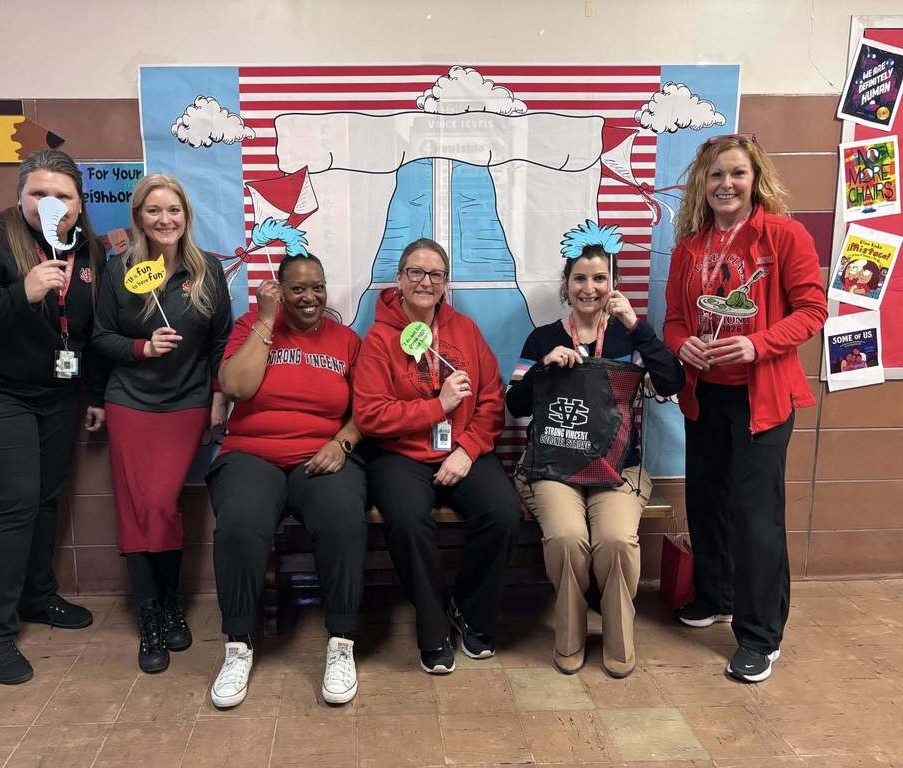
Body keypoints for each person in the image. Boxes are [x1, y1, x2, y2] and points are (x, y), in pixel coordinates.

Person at [0, 149, 105, 685]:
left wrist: (93, 392)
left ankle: (37, 596)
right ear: (21, 195)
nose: (50, 204)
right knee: (12, 504)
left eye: (62, 195)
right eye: (39, 193)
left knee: (48, 494)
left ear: (79, 203)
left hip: (55, 391)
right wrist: (20, 293)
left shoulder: (88, 250)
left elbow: (89, 330)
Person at [663, 134, 827, 683]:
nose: (725, 185)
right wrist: (681, 344)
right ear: (701, 186)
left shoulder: (784, 235)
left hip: (763, 398)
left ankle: (760, 636)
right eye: (715, 175)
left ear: (754, 178)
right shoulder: (690, 246)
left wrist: (759, 344)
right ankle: (715, 593)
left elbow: (812, 310)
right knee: (707, 500)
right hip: (705, 392)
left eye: (736, 174)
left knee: (756, 516)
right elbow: (674, 322)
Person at [506, 221, 684, 678]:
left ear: (615, 283)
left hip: (618, 467)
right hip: (552, 468)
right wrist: (544, 370)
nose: (590, 288)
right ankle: (569, 637)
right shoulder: (542, 338)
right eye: (580, 278)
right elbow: (515, 404)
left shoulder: (629, 338)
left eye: (600, 278)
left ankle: (620, 642)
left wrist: (637, 326)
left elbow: (671, 382)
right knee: (567, 538)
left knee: (615, 541)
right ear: (565, 285)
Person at [353, 238, 521, 675]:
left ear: (446, 283)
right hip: (399, 454)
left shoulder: (464, 329)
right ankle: (431, 625)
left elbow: (490, 399)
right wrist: (437, 407)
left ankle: (468, 609)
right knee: (408, 521)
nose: (425, 281)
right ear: (400, 279)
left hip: (461, 449)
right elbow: (371, 416)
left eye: (435, 274)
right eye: (415, 272)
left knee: (503, 514)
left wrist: (467, 450)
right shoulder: (377, 338)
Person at [207, 254, 366, 708]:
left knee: (342, 520)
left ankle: (341, 643)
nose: (310, 297)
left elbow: (363, 412)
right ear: (279, 289)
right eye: (297, 288)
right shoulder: (252, 326)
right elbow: (236, 387)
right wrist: (266, 320)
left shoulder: (345, 340)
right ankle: (238, 645)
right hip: (252, 454)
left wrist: (343, 444)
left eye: (317, 286)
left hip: (322, 453)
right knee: (238, 523)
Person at [93, 174, 231, 673]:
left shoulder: (209, 270)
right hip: (131, 402)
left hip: (186, 405)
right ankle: (153, 617)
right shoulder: (117, 271)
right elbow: (101, 337)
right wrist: (141, 348)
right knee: (138, 509)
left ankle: (171, 601)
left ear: (186, 217)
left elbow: (220, 342)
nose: (164, 219)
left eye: (173, 210)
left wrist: (218, 394)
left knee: (162, 504)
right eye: (154, 211)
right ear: (139, 217)